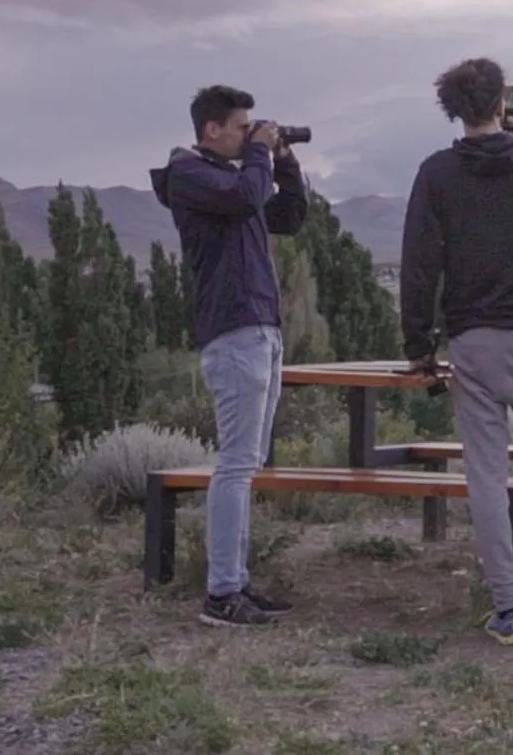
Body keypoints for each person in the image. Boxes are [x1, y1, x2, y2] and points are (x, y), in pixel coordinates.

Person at [399, 58, 513, 645]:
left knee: (485, 475)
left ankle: (506, 609)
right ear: (500, 103)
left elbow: (420, 264)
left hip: (471, 339)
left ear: (454, 109)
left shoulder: (436, 172)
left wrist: (419, 346)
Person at [149, 84, 310, 628]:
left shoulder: (238, 179)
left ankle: (236, 584)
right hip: (234, 330)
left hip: (260, 328)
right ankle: (221, 595)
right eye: (243, 127)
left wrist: (283, 163)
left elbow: (287, 217)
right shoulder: (190, 176)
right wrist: (262, 154)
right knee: (236, 465)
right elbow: (245, 198)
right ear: (211, 130)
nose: (251, 133)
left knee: (248, 464)